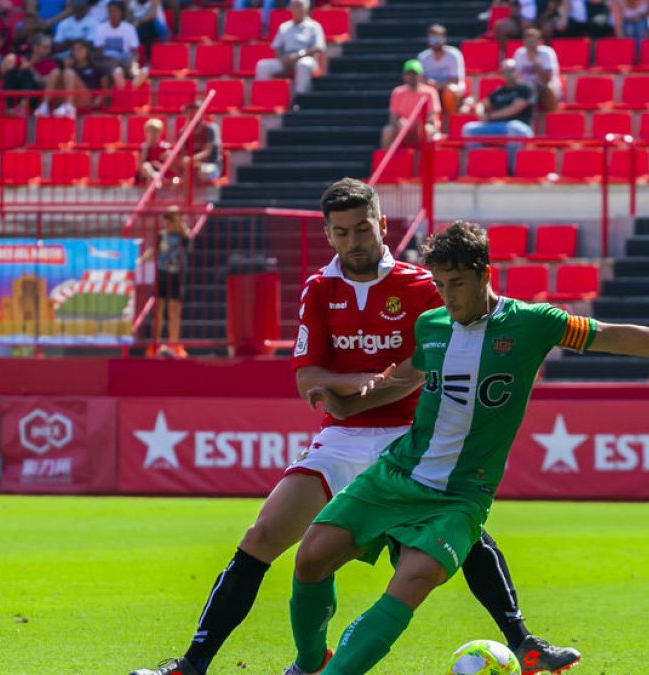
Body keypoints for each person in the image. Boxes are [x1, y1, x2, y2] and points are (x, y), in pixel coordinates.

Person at [130, 181, 580, 675]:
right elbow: (308, 378)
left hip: (407, 437)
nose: (354, 240)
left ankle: (524, 643)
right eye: (342, 232)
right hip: (340, 438)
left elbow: (455, 349)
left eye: (363, 228)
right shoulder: (319, 289)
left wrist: (369, 387)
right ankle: (193, 664)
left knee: (463, 533)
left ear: (382, 226)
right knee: (261, 536)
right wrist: (362, 382)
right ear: (328, 234)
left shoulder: (421, 285)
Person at [284, 220, 649, 675]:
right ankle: (307, 666)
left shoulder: (532, 323)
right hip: (398, 474)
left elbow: (611, 335)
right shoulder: (432, 325)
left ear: (486, 275)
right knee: (310, 558)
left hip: (460, 496)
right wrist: (348, 407)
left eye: (458, 284)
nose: (448, 297)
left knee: (409, 582)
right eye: (441, 284)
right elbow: (405, 380)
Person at [461, 59, 536, 169]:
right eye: (505, 71)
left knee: (513, 127)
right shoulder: (499, 91)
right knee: (468, 129)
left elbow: (514, 109)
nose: (508, 74)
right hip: (498, 126)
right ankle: (480, 166)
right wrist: (481, 113)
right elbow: (482, 104)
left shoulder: (526, 88)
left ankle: (511, 170)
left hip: (521, 127)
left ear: (517, 71)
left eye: (511, 70)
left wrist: (490, 117)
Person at [143, 208, 190, 359]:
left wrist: (178, 218)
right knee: (159, 310)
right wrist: (140, 259)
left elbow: (187, 237)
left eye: (168, 220)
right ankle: (155, 344)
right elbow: (153, 250)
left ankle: (174, 343)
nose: (165, 223)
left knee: (174, 311)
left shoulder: (182, 235)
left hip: (176, 275)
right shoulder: (161, 236)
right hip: (162, 274)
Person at [255, 0, 325, 96]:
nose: (298, 9)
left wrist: (298, 55)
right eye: (295, 6)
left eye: (300, 6)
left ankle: (300, 99)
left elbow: (319, 47)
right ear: (290, 8)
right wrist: (283, 59)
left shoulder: (314, 26)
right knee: (262, 65)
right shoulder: (284, 27)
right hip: (286, 59)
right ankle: (262, 97)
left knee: (303, 64)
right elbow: (277, 47)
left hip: (306, 59)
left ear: (307, 8)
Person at [380, 59, 440, 150]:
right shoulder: (397, 92)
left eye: (415, 74)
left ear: (421, 76)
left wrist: (414, 125)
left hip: (421, 128)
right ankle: (386, 161)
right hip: (402, 129)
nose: (411, 77)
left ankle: (429, 162)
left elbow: (432, 119)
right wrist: (400, 123)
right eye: (409, 74)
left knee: (429, 129)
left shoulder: (430, 92)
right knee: (387, 130)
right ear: (404, 76)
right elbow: (393, 118)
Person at [0, 33, 62, 116]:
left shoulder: (51, 65)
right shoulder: (23, 59)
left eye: (49, 48)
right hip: (18, 92)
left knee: (27, 73)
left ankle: (23, 106)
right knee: (12, 72)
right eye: (45, 48)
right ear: (35, 47)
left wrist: (32, 70)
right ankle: (8, 107)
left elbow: (45, 83)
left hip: (35, 97)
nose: (49, 51)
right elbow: (3, 72)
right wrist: (9, 61)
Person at [92, 0, 145, 89]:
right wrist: (114, 60)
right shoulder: (100, 28)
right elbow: (98, 53)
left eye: (115, 11)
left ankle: (132, 88)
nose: (113, 14)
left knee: (143, 71)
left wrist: (133, 63)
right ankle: (123, 93)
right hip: (106, 61)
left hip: (125, 61)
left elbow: (135, 52)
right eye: (110, 11)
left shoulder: (129, 29)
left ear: (121, 12)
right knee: (117, 71)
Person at [417, 24, 466, 115]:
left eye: (438, 39)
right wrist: (430, 83)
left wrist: (439, 85)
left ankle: (447, 125)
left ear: (444, 39)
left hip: (451, 90)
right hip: (431, 89)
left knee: (450, 91)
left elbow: (455, 80)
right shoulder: (422, 57)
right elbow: (421, 79)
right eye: (433, 39)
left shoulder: (454, 55)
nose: (435, 42)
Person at [511, 27, 561, 112]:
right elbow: (515, 77)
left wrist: (534, 61)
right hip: (527, 89)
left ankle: (552, 118)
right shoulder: (519, 53)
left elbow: (546, 79)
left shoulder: (547, 53)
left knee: (547, 89)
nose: (530, 45)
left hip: (545, 88)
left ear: (539, 42)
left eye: (532, 42)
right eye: (527, 42)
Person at [59, 37, 103, 113]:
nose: (77, 52)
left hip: (88, 98)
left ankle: (68, 105)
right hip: (74, 98)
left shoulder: (95, 67)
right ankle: (44, 105)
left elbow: (105, 86)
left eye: (80, 49)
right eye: (74, 49)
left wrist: (100, 97)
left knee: (69, 73)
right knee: (55, 72)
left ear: (87, 51)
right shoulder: (71, 68)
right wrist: (66, 67)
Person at [137, 117, 172, 183]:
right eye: (151, 132)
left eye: (156, 132)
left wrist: (159, 166)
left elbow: (170, 168)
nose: (153, 134)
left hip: (162, 174)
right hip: (146, 176)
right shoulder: (143, 148)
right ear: (146, 133)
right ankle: (154, 180)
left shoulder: (164, 148)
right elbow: (140, 168)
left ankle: (155, 181)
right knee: (146, 166)